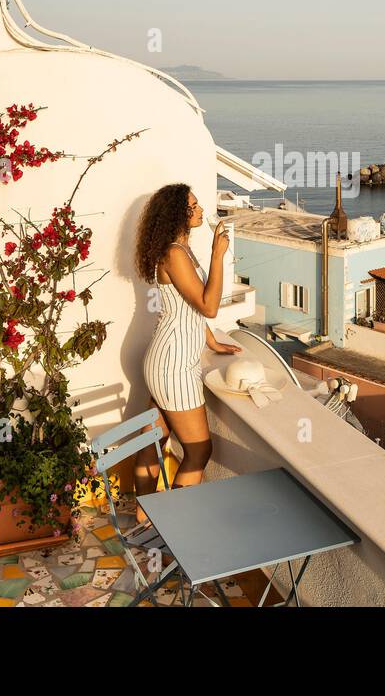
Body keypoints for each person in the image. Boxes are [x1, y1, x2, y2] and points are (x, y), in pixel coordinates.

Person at [131, 184, 241, 524]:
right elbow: (208, 306)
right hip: (174, 366)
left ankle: (142, 515)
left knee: (155, 439)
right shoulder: (175, 254)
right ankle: (176, 524)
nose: (199, 209)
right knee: (198, 450)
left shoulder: (181, 249)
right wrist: (219, 255)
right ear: (176, 214)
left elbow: (187, 306)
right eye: (192, 205)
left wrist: (211, 342)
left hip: (170, 359)